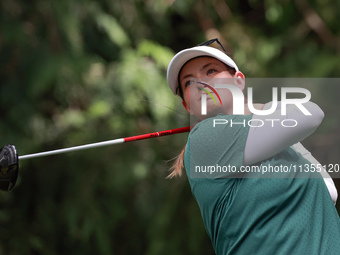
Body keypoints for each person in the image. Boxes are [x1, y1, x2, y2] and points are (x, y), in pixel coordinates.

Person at [166, 38, 340, 255]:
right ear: (187, 106)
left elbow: (329, 191)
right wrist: (258, 109)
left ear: (239, 81)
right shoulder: (205, 137)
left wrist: (255, 114)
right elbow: (310, 114)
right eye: (189, 82)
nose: (201, 84)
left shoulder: (277, 141)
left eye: (211, 71)